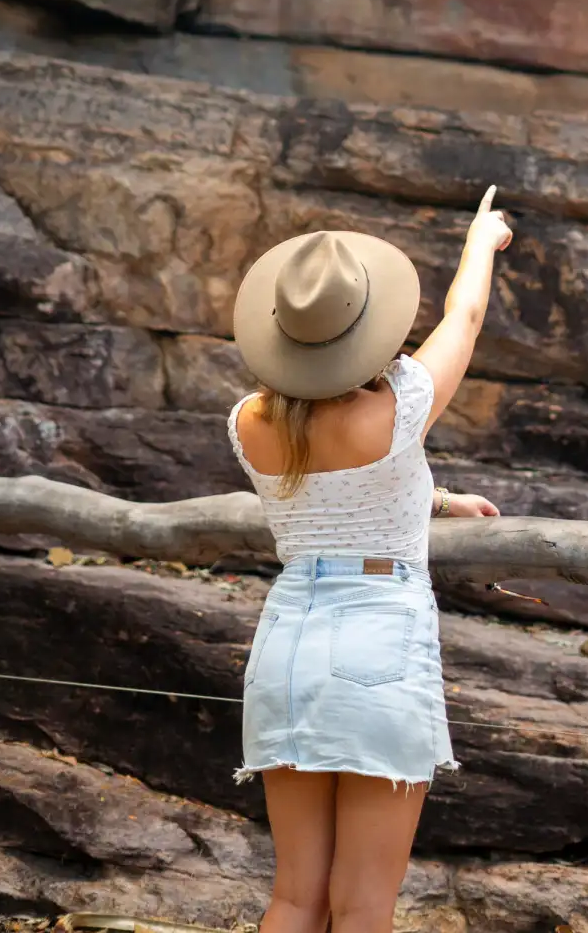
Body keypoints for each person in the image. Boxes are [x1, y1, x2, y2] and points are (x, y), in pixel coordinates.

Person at [227, 186, 513, 933]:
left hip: (287, 642)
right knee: (361, 905)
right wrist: (481, 242)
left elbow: (330, 498)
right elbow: (467, 318)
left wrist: (437, 500)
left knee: (295, 897)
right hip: (378, 639)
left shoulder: (249, 423)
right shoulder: (401, 405)